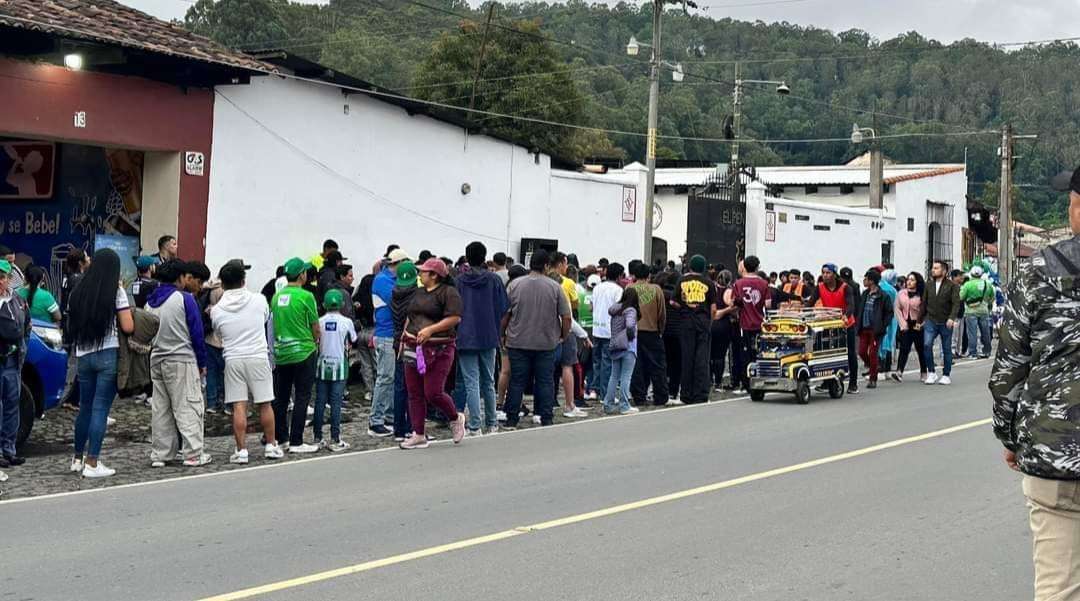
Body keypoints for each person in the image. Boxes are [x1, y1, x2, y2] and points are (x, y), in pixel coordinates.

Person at [991, 165, 1080, 601]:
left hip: (1054, 454)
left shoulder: (1038, 272)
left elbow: (1009, 368)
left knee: (1058, 589)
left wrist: (1011, 436)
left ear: (1077, 207)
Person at [66, 249, 132, 478]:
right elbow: (128, 326)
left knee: (85, 406)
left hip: (83, 355)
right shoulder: (116, 291)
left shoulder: (78, 291)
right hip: (107, 354)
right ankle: (93, 462)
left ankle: (77, 458)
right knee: (100, 408)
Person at [210, 259, 283, 464]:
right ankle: (271, 445)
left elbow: (219, 332)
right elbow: (265, 319)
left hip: (233, 357)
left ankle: (241, 450)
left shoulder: (217, 309)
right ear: (244, 280)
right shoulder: (259, 300)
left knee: (238, 405)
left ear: (222, 284)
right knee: (265, 403)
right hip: (258, 355)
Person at [146, 260, 211, 467]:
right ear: (180, 278)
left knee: (161, 408)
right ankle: (193, 453)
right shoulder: (184, 299)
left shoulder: (150, 302)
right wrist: (202, 362)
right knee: (188, 405)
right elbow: (196, 333)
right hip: (181, 359)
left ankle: (161, 454)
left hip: (157, 358)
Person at [399, 259, 465, 449]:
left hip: (440, 348)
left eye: (424, 272)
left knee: (433, 392)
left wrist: (431, 330)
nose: (420, 274)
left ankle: (454, 417)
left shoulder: (448, 293)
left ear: (434, 275)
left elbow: (454, 318)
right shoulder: (418, 292)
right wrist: (405, 336)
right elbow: (411, 316)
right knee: (414, 392)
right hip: (413, 346)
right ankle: (418, 433)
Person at [502, 250, 570, 429]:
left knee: (517, 380)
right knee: (545, 380)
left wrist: (502, 334)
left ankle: (511, 417)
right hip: (546, 342)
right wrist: (563, 334)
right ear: (547, 266)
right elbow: (566, 316)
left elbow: (505, 315)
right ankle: (546, 416)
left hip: (517, 341)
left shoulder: (515, 285)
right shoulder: (555, 287)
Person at [455, 242, 508, 435]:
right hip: (488, 334)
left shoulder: (459, 281)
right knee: (488, 380)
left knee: (471, 381)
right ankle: (492, 422)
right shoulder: (494, 280)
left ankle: (475, 425)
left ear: (467, 258)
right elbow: (504, 308)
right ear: (486, 257)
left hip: (465, 335)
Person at [269, 257, 320, 454]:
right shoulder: (306, 296)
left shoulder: (276, 297)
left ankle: (281, 438)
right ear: (302, 275)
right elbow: (315, 325)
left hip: (282, 353)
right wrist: (316, 341)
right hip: (304, 351)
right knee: (302, 396)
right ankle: (296, 440)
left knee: (281, 398)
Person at [369, 248, 409, 437]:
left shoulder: (390, 279)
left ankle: (390, 415)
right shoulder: (383, 280)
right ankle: (375, 420)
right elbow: (397, 300)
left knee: (393, 378)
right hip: (386, 333)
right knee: (385, 377)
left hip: (393, 334)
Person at [313, 289, 356, 451]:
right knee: (336, 403)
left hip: (322, 365)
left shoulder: (319, 321)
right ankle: (335, 438)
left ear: (323, 305)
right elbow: (354, 339)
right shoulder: (347, 322)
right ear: (342, 304)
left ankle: (318, 437)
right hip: (340, 366)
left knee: (320, 402)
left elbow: (315, 339)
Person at [0, 259, 30, 473]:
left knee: (12, 405)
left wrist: (23, 347)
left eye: (4, 277)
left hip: (12, 360)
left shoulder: (17, 300)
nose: (3, 281)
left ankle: (8, 450)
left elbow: (27, 324)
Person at [812, 263, 859, 394]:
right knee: (826, 353)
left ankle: (853, 383)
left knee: (850, 353)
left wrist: (846, 315)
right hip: (829, 325)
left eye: (828, 273)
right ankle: (827, 382)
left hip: (845, 324)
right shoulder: (819, 287)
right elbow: (811, 302)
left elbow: (851, 305)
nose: (825, 275)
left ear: (834, 274)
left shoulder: (845, 288)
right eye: (823, 273)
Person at [549, 251, 585, 418]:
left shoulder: (545, 280)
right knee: (567, 366)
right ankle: (569, 404)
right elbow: (574, 306)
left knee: (545, 370)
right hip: (566, 327)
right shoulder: (568, 282)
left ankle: (546, 404)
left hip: (546, 329)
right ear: (561, 264)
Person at [626, 261, 668, 407]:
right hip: (652, 331)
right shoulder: (656, 289)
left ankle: (639, 396)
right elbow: (662, 313)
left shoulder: (629, 288)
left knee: (636, 365)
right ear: (649, 275)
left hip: (634, 332)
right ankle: (661, 396)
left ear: (634, 275)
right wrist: (661, 330)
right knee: (657, 366)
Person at [730, 256, 767, 395]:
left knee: (744, 354)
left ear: (744, 266)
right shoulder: (764, 283)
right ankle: (760, 380)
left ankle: (746, 384)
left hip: (744, 324)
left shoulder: (738, 283)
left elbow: (733, 303)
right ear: (758, 267)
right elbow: (767, 304)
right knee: (759, 353)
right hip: (760, 323)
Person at [390, 260, 418, 441]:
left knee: (400, 386)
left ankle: (398, 428)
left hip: (397, 341)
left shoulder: (394, 295)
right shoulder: (417, 297)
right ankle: (411, 427)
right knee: (414, 387)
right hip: (412, 342)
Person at [60, 249, 91, 409]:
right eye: (86, 257)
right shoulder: (79, 279)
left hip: (70, 323)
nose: (89, 259)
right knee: (80, 362)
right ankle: (74, 398)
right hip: (78, 325)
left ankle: (72, 397)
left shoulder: (68, 278)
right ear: (80, 263)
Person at [923, 260, 961, 385]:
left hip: (945, 321)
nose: (933, 270)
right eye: (933, 268)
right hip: (931, 320)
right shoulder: (928, 285)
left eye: (936, 268)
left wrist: (952, 318)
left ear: (944, 271)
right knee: (927, 345)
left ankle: (946, 374)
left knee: (946, 348)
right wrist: (920, 320)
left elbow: (956, 303)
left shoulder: (952, 286)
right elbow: (924, 303)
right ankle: (931, 372)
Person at [590, 262, 624, 402]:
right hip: (610, 330)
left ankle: (594, 390)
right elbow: (619, 310)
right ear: (618, 276)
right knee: (607, 363)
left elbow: (591, 307)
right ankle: (606, 394)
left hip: (596, 328)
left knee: (596, 362)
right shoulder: (618, 290)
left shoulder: (597, 288)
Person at [604, 287, 640, 415]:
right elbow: (630, 325)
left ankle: (608, 404)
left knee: (614, 377)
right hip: (628, 347)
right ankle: (624, 405)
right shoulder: (630, 310)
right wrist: (630, 336)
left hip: (615, 346)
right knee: (626, 377)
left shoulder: (616, 310)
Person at [855, 269, 893, 389]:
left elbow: (889, 313)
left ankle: (873, 378)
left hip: (876, 330)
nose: (864, 281)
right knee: (861, 351)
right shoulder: (865, 294)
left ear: (871, 281)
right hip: (864, 328)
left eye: (866, 279)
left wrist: (883, 326)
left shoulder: (883, 296)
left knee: (873, 353)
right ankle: (873, 366)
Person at [891, 272, 928, 383]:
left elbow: (927, 310)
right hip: (906, 324)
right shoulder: (901, 293)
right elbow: (897, 309)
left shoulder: (922, 294)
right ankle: (899, 372)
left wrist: (922, 323)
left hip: (918, 323)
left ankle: (924, 372)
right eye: (908, 279)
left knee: (920, 349)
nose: (909, 282)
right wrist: (902, 323)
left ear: (917, 282)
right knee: (904, 348)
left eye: (912, 279)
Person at [710, 270, 738, 391]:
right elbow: (734, 308)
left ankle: (709, 379)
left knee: (709, 354)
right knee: (720, 355)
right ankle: (718, 381)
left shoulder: (711, 289)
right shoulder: (729, 292)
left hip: (710, 324)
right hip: (724, 325)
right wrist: (726, 312)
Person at [960, 265, 994, 359]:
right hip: (984, 310)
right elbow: (992, 296)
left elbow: (961, 297)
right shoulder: (987, 284)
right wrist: (987, 303)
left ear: (971, 274)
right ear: (981, 274)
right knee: (985, 332)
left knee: (972, 333)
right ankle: (987, 351)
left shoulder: (967, 285)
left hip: (970, 311)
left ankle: (973, 353)